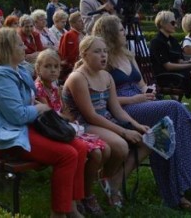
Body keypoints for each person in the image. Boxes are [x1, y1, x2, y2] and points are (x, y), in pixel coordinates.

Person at [93, 14, 191, 211]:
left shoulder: (128, 55)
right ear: (110, 34)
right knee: (174, 109)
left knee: (166, 128)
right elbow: (106, 100)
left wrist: (147, 92)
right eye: (121, 30)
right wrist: (136, 99)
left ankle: (176, 191)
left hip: (142, 103)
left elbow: (141, 84)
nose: (126, 33)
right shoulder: (102, 59)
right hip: (124, 108)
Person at [0, 27, 87, 217]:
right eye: (19, 44)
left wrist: (35, 106)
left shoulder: (16, 70)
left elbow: (23, 106)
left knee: (80, 148)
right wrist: (40, 108)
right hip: (5, 137)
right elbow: (17, 116)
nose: (23, 47)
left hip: (22, 129)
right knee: (66, 155)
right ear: (7, 49)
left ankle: (72, 208)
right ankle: (59, 213)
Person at [62, 36, 150, 209]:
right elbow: (90, 116)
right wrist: (124, 132)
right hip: (81, 124)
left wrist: (135, 125)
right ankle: (95, 188)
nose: (103, 56)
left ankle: (110, 181)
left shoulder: (107, 76)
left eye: (105, 52)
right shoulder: (78, 78)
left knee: (147, 142)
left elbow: (116, 109)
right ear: (84, 54)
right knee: (120, 145)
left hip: (103, 120)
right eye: (97, 52)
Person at [34, 49, 108, 216]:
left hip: (63, 128)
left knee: (101, 150)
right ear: (38, 69)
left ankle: (81, 195)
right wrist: (63, 117)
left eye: (56, 67)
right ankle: (79, 197)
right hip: (53, 131)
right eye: (47, 66)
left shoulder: (54, 87)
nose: (53, 70)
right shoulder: (39, 89)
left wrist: (64, 117)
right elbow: (50, 115)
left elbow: (65, 112)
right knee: (92, 152)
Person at [150, 10, 191, 124]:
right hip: (166, 76)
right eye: (173, 22)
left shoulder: (173, 40)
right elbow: (168, 66)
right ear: (163, 24)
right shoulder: (157, 42)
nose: (176, 25)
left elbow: (179, 60)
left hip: (178, 74)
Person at [58, 11, 85, 81]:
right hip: (72, 69)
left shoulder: (84, 34)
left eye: (82, 20)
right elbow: (62, 53)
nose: (83, 22)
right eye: (80, 21)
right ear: (72, 24)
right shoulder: (68, 35)